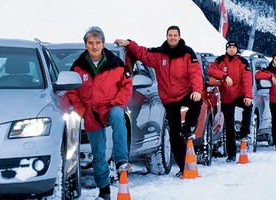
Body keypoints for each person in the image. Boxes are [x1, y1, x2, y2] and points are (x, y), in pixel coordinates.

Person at [115, 26, 203, 178]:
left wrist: (196, 90)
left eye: (175, 35)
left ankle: (188, 128)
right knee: (175, 135)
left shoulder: (188, 53)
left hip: (185, 92)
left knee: (197, 102)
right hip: (169, 98)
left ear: (179, 37)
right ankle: (184, 168)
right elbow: (142, 53)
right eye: (170, 35)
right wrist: (130, 43)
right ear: (167, 36)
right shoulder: (159, 53)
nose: (172, 38)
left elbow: (195, 73)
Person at [66, 27, 132, 200]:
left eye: (98, 43)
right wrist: (82, 111)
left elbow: (126, 86)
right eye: (90, 43)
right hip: (90, 114)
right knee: (98, 154)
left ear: (103, 44)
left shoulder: (116, 63)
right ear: (86, 45)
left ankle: (121, 160)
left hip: (110, 106)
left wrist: (116, 103)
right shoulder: (78, 67)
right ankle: (104, 191)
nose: (94, 46)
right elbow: (72, 91)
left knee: (119, 115)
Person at [208, 41, 253, 161]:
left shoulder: (243, 62)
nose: (231, 49)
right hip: (226, 97)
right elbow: (211, 70)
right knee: (229, 126)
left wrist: (248, 96)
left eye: (234, 47)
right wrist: (224, 76)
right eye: (229, 47)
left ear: (237, 49)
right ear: (226, 49)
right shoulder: (220, 60)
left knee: (249, 105)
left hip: (239, 94)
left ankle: (244, 133)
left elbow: (247, 80)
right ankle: (231, 154)